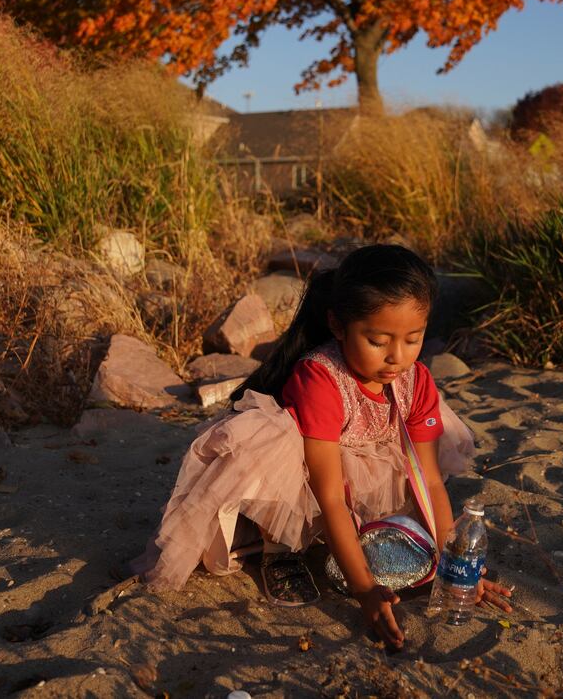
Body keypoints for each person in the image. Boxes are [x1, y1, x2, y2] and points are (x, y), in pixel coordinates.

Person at [130, 243, 512, 646]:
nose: (396, 358)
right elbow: (327, 494)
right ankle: (279, 550)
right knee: (275, 460)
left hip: (362, 455)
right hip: (302, 464)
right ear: (337, 325)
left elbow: (430, 481)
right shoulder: (320, 379)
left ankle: (333, 540)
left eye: (413, 339)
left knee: (405, 499)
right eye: (378, 340)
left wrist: (455, 567)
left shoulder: (415, 382)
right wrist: (365, 590)